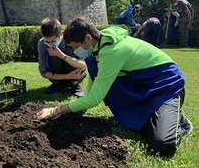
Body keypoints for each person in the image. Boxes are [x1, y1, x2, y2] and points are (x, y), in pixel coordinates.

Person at [35, 17, 193, 157]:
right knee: (138, 124)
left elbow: (95, 98)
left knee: (161, 145)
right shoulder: (101, 43)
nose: (75, 51)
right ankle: (155, 114)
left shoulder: (112, 52)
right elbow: (95, 78)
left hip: (166, 85)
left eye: (76, 46)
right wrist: (81, 107)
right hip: (143, 85)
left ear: (88, 38)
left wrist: (59, 109)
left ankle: (180, 120)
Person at [38, 17, 87, 97]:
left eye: (53, 41)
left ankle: (75, 85)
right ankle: (57, 85)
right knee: (51, 54)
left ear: (61, 34)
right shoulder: (41, 43)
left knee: (68, 51)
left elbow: (84, 65)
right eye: (47, 42)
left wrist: (61, 55)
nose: (50, 45)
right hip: (56, 77)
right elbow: (43, 72)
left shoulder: (72, 40)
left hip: (76, 75)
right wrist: (67, 76)